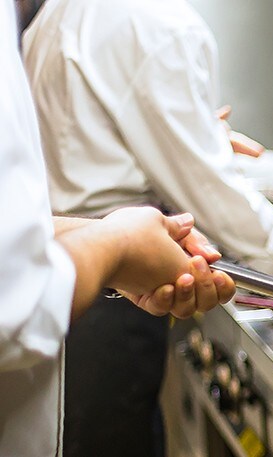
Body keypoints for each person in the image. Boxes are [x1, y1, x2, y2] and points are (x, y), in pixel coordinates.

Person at [20, 0, 273, 455]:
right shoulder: (153, 19)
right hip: (103, 280)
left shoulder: (65, 13)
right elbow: (207, 188)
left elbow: (85, 136)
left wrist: (189, 138)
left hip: (69, 261)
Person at [0, 2, 235, 455]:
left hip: (78, 274)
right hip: (78, 291)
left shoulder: (53, 20)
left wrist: (105, 234)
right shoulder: (149, 19)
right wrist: (118, 243)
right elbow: (14, 301)